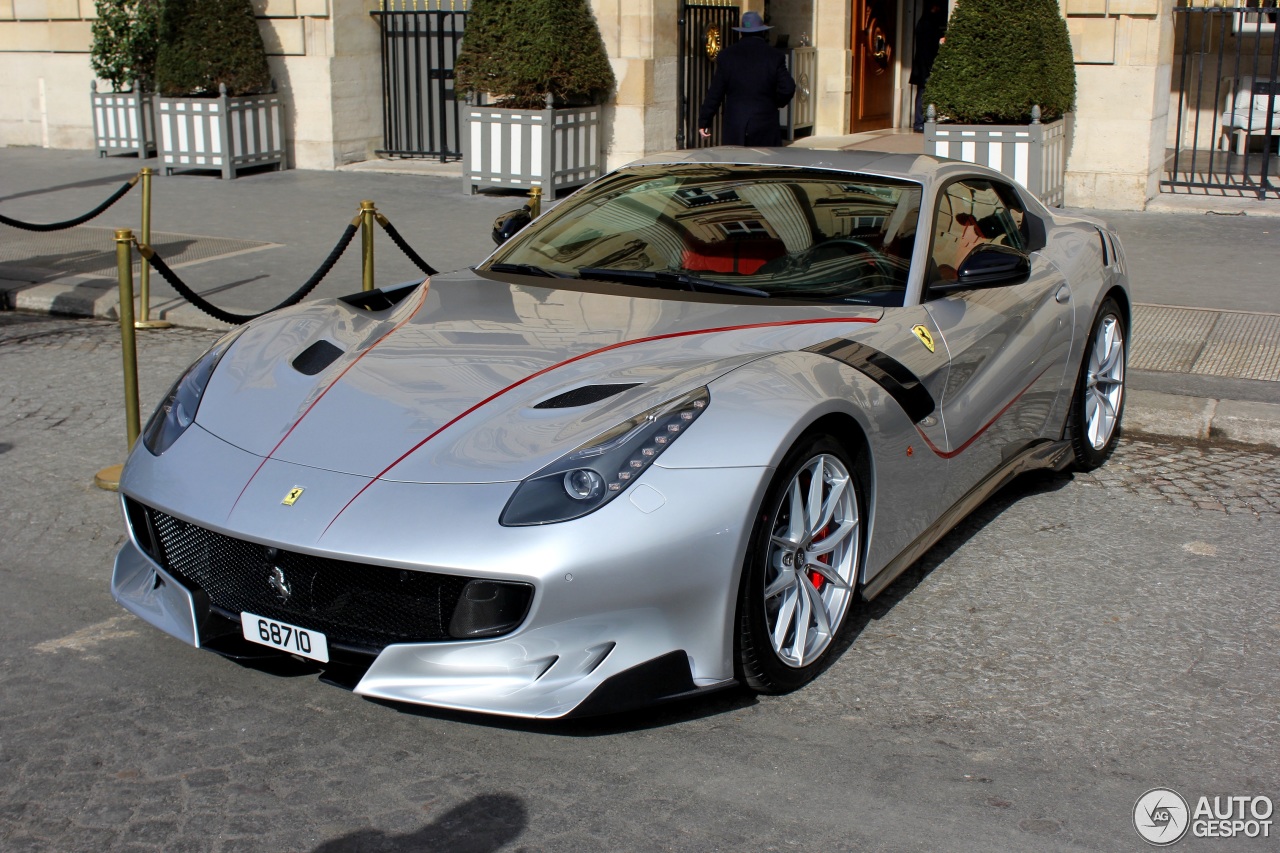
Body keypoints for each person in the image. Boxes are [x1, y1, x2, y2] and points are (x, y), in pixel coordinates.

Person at [697, 11, 796, 146]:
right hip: (765, 122)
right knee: (765, 164)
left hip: (736, 124)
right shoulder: (774, 56)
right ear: (762, 32)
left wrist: (704, 121)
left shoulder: (727, 56)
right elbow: (788, 87)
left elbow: (715, 93)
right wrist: (775, 103)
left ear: (742, 32)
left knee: (737, 164)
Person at [910, 2, 948, 132]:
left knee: (922, 92)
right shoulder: (927, 24)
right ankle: (920, 122)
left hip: (923, 64)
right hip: (925, 65)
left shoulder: (924, 22)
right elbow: (928, 46)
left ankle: (921, 121)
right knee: (923, 92)